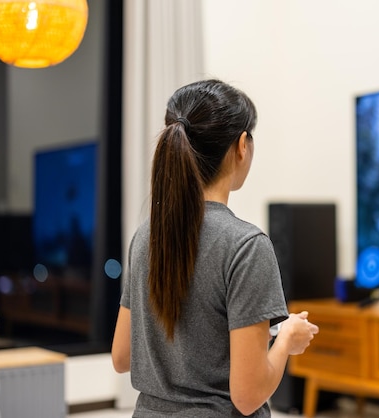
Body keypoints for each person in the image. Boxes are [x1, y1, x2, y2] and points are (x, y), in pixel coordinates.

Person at [111, 79, 319, 417]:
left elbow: (122, 357)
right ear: (241, 146)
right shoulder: (246, 246)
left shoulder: (145, 236)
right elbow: (248, 396)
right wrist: (286, 340)